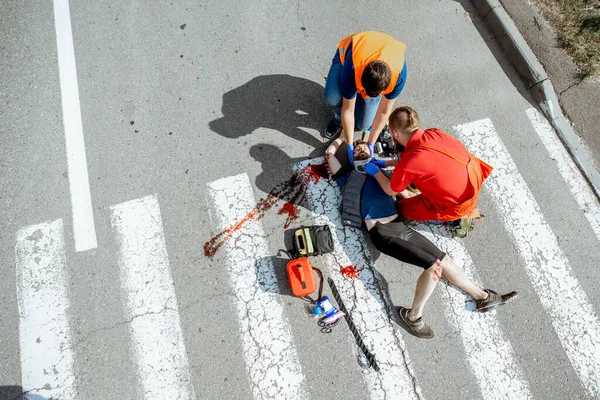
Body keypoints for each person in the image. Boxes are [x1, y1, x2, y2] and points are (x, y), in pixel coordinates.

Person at [325, 133, 517, 339]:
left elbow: (406, 192)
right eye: (358, 148)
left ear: (372, 154)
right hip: (382, 232)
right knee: (433, 266)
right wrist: (342, 138)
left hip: (400, 227)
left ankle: (483, 297)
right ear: (353, 156)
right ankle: (414, 317)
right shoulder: (347, 175)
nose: (362, 149)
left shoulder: (383, 175)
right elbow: (329, 154)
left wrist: (382, 168)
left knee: (444, 260)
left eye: (365, 147)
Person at [365, 106, 494, 238]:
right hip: (471, 177)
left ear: (395, 133)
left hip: (457, 203)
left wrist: (376, 172)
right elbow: (417, 155)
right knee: (412, 184)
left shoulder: (410, 163)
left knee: (403, 209)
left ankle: (458, 220)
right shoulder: (432, 133)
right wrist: (386, 163)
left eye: (391, 135)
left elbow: (390, 189)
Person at [324, 31, 408, 164]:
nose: (365, 95)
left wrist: (371, 142)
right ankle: (337, 120)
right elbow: (348, 111)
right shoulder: (352, 69)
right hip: (348, 53)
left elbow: (384, 111)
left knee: (364, 124)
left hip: (387, 54)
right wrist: (348, 143)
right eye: (363, 91)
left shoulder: (399, 77)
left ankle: (358, 101)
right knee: (332, 98)